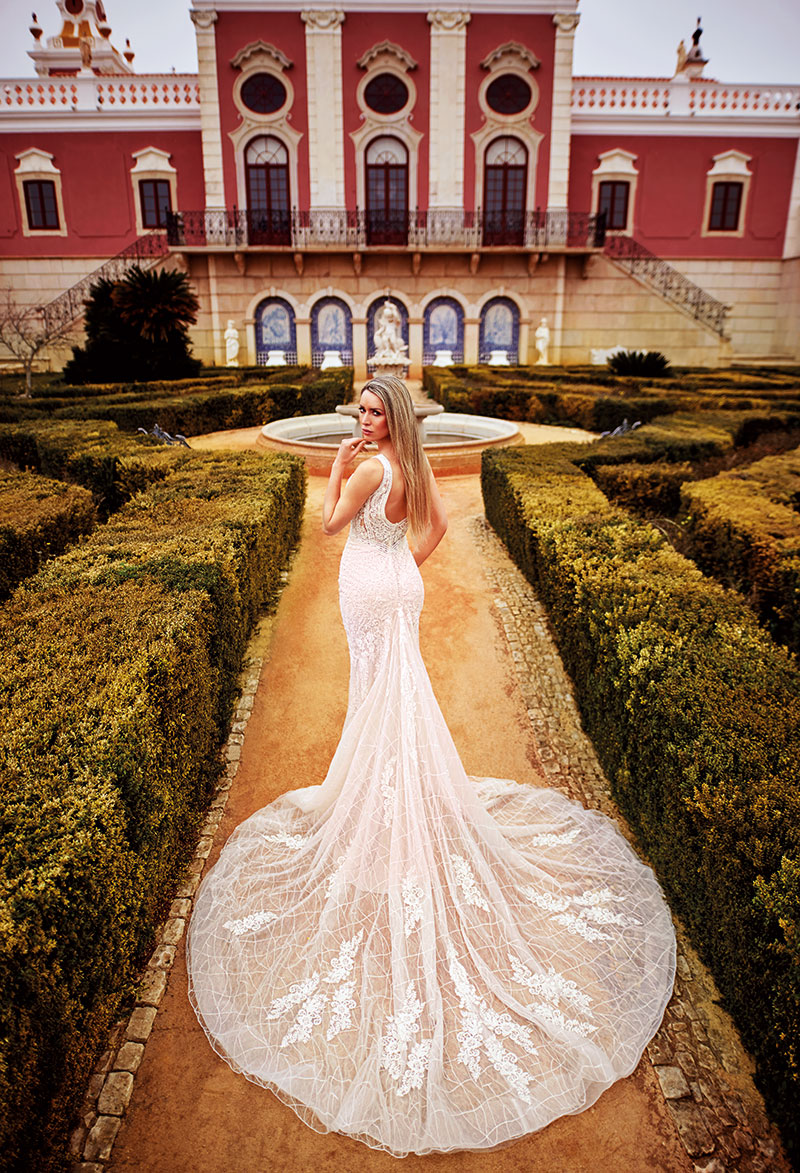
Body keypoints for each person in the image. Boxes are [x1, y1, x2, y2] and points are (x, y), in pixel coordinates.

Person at [187, 375, 676, 1156]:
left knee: (383, 701)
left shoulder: (377, 467)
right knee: (395, 698)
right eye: (363, 412)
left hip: (375, 594)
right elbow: (439, 527)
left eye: (377, 412)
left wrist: (342, 472)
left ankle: (387, 813)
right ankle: (393, 796)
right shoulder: (414, 463)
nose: (366, 420)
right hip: (395, 590)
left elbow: (326, 528)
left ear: (395, 418)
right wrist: (400, 570)